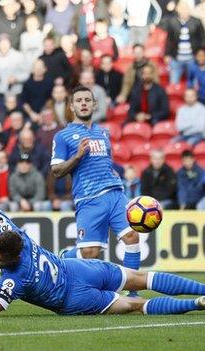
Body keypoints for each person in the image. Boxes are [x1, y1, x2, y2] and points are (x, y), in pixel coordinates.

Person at [0, 195, 205, 318]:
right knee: (141, 278)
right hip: (77, 268)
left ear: (7, 260)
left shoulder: (13, 279)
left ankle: (201, 301)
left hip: (74, 297)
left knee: (136, 304)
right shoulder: (17, 236)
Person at [51, 86, 142, 295]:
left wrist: (113, 173)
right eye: (79, 100)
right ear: (72, 106)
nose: (83, 103)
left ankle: (133, 291)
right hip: (89, 199)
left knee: (132, 238)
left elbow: (103, 161)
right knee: (90, 254)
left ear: (94, 104)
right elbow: (56, 171)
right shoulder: (63, 136)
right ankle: (67, 255)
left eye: (87, 100)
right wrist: (77, 156)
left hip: (115, 194)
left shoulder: (103, 132)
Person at [162, 1, 205, 84]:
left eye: (186, 8)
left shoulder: (197, 22)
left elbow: (202, 40)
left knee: (194, 84)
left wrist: (201, 54)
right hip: (176, 59)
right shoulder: (172, 22)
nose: (184, 11)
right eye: (182, 8)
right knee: (173, 84)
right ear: (177, 9)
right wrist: (167, 54)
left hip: (192, 58)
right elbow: (169, 40)